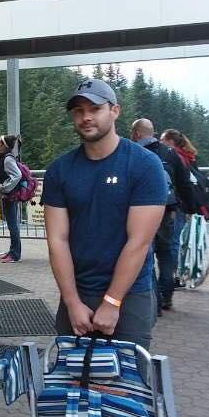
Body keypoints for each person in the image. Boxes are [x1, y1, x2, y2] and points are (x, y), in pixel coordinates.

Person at [42, 79, 166, 349]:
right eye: (78, 111)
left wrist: (112, 301)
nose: (86, 117)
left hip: (130, 295)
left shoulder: (145, 165)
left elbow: (139, 242)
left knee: (126, 385)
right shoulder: (60, 170)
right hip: (77, 293)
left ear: (114, 111)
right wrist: (72, 301)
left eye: (95, 108)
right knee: (72, 384)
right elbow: (57, 240)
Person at [130, 119, 196, 312]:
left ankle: (154, 303)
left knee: (144, 254)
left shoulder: (134, 153)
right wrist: (190, 208)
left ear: (137, 133)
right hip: (168, 212)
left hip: (142, 214)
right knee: (166, 254)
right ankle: (166, 296)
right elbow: (184, 183)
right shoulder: (171, 154)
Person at [161, 129, 207, 286]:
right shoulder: (187, 156)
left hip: (176, 204)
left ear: (170, 142)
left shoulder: (174, 157)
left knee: (172, 242)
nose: (160, 143)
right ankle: (175, 276)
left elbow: (182, 184)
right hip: (183, 205)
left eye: (162, 139)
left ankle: (172, 278)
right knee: (176, 241)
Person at [0, 134, 24, 263]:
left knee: (13, 225)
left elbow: (17, 175)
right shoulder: (6, 158)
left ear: (4, 146)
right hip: (9, 196)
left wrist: (4, 188)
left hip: (10, 196)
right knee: (12, 225)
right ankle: (12, 251)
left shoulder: (7, 159)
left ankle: (15, 254)